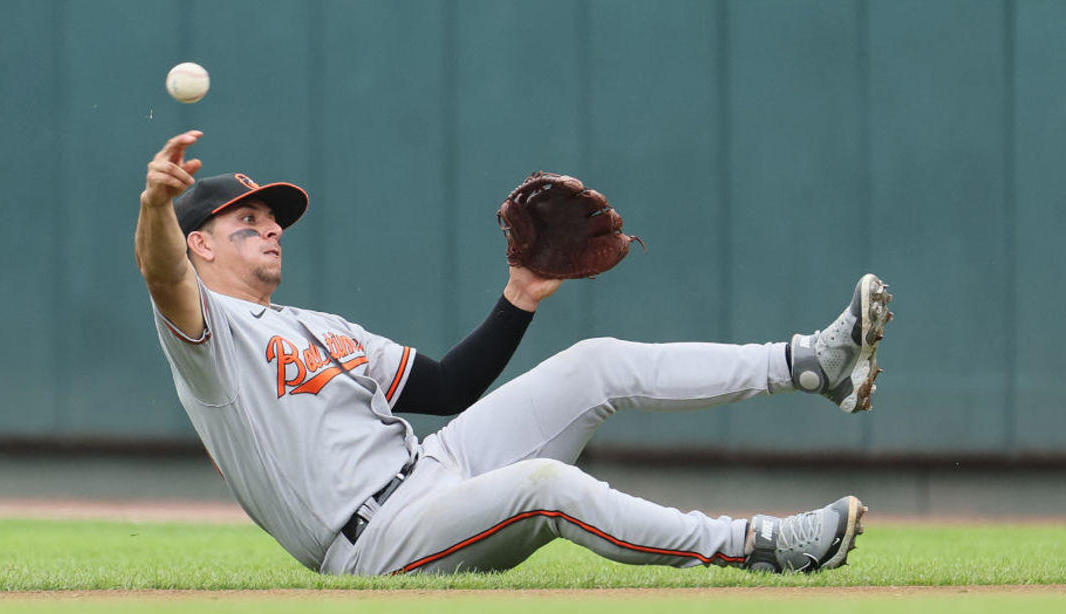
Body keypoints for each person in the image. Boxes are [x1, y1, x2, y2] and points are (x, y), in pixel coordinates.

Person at [136, 130, 890, 575]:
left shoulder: (315, 323)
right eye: (247, 221)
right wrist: (154, 207)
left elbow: (446, 385)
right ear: (198, 241)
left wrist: (520, 293)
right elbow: (161, 273)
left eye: (273, 219)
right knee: (544, 484)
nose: (270, 229)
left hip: (433, 471)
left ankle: (808, 365)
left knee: (595, 361)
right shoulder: (207, 335)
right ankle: (758, 547)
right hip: (373, 542)